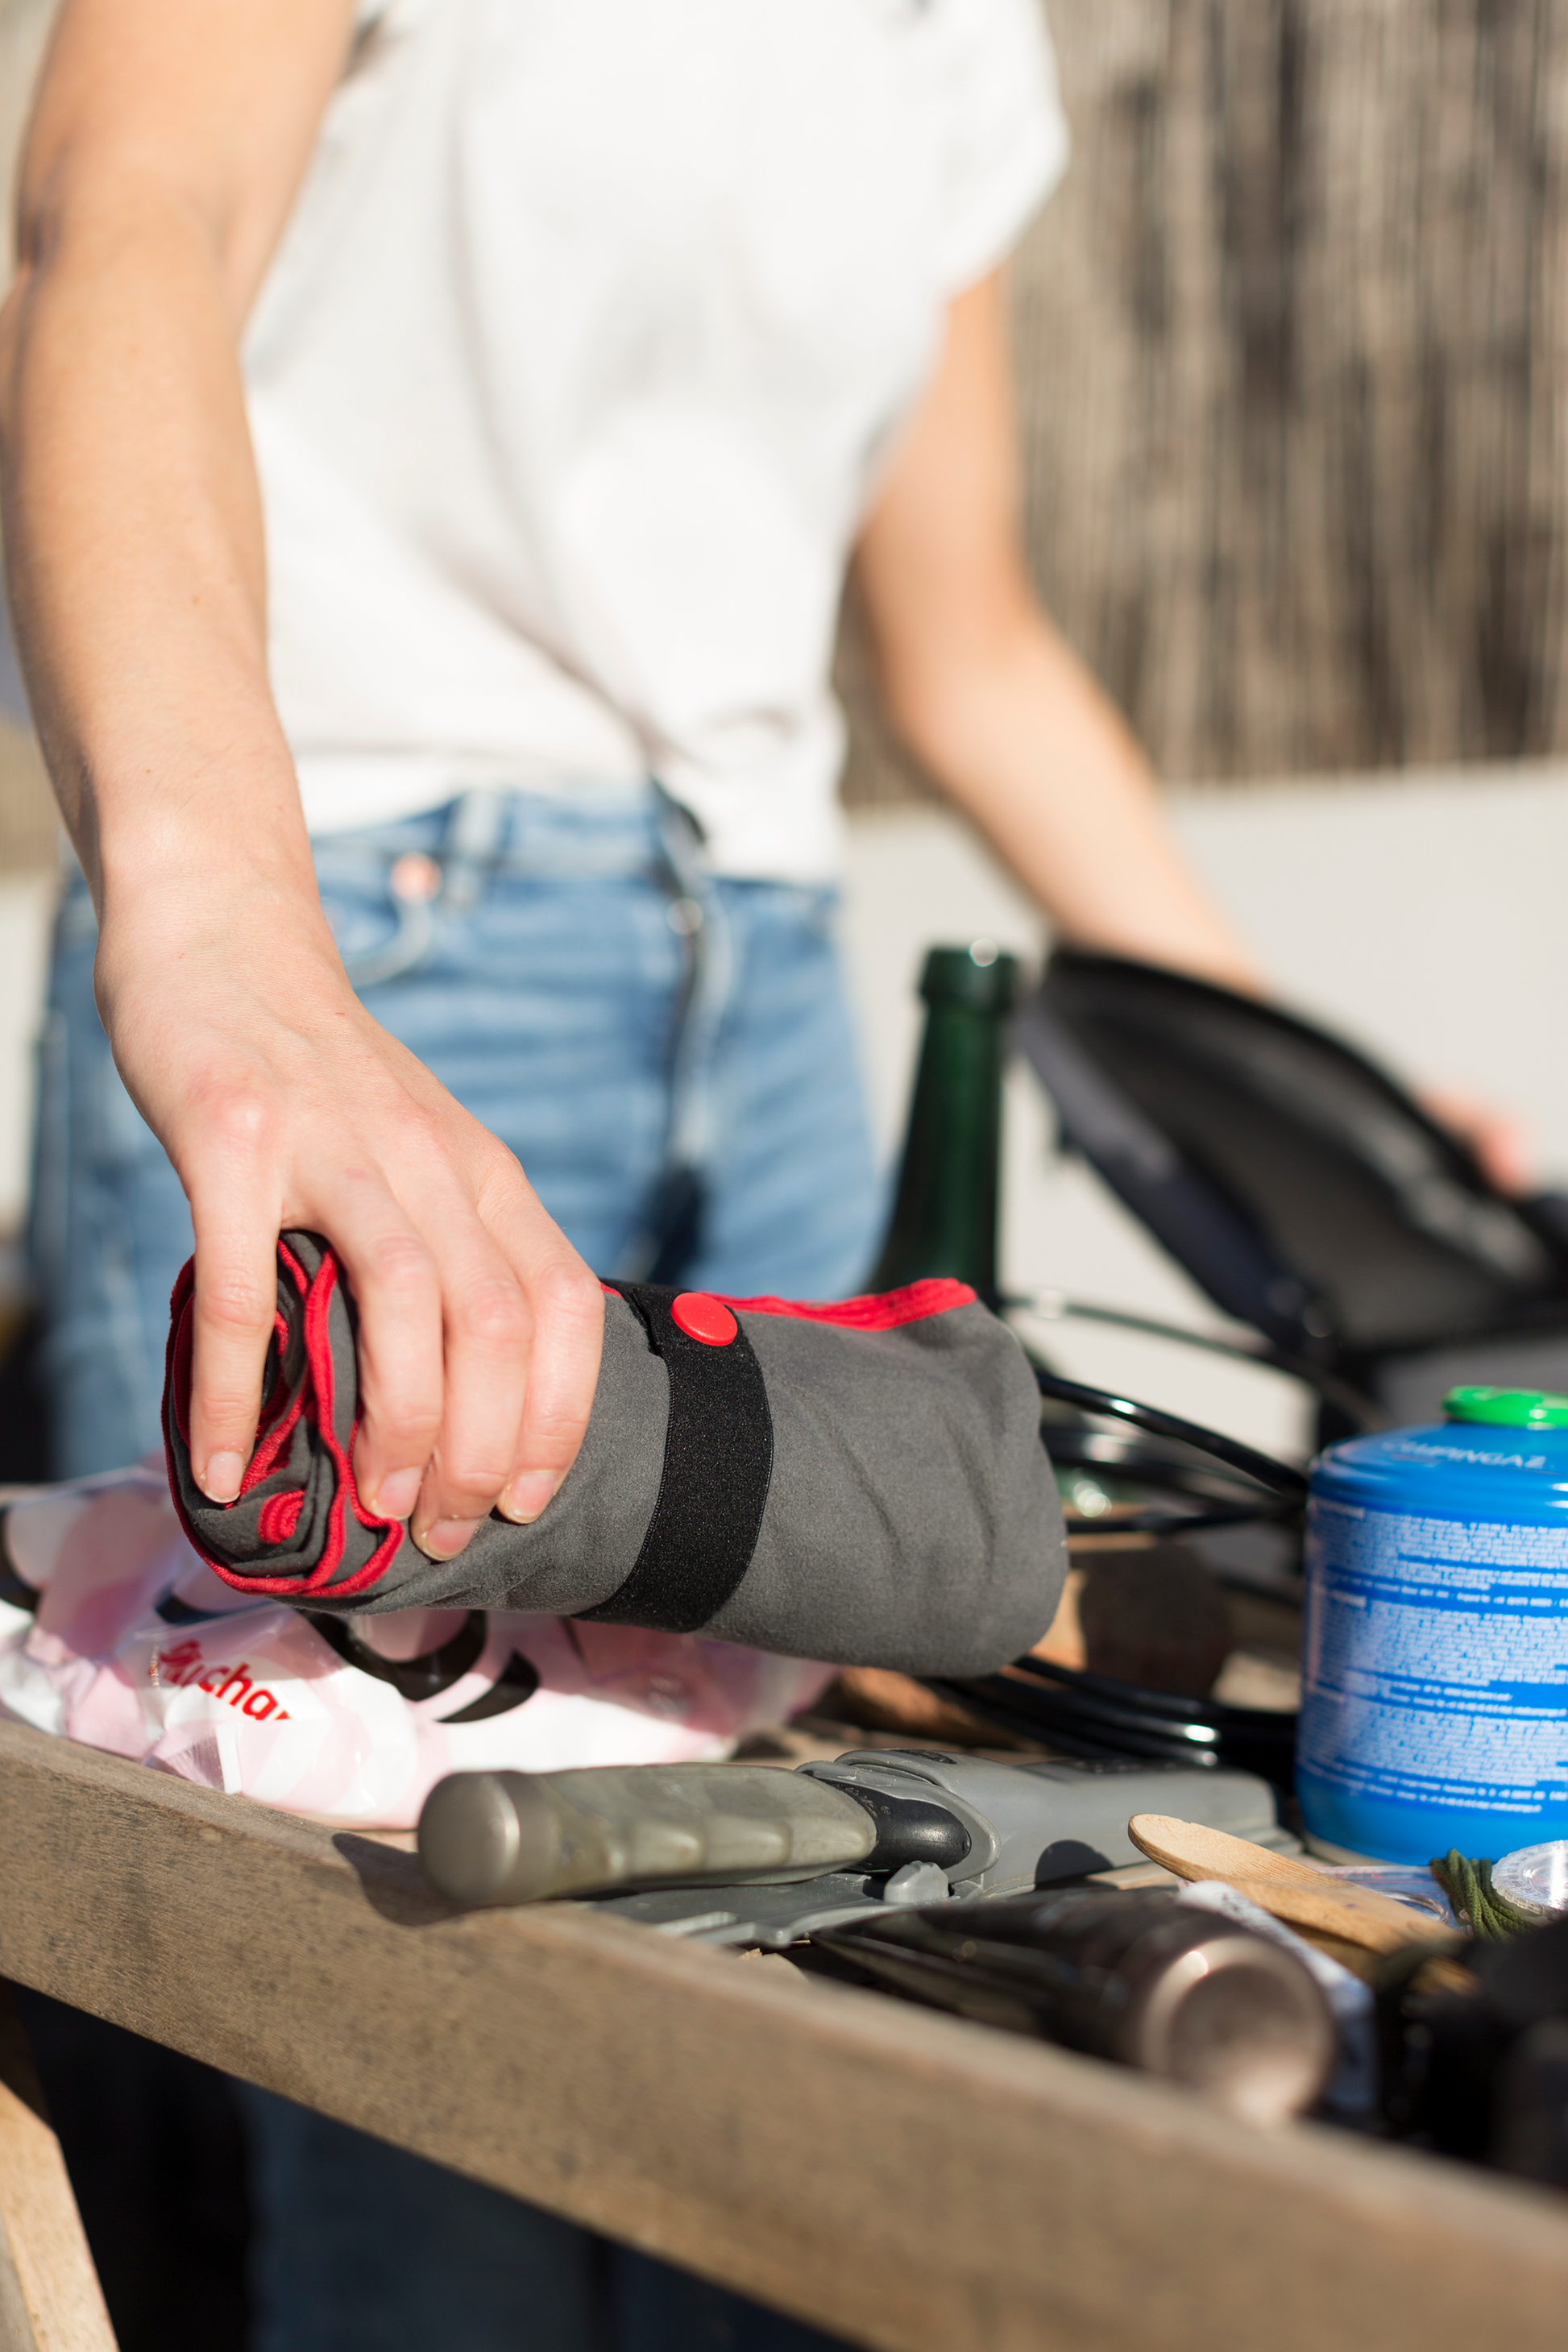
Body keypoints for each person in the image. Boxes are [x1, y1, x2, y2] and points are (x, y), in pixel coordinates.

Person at [0, 1, 1519, 2346]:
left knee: (824, 2049)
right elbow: (124, 220)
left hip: (774, 982)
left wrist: (1360, 1123)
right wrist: (230, 949)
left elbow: (976, 647)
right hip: (375, 940)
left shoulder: (953, 41)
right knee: (420, 2078)